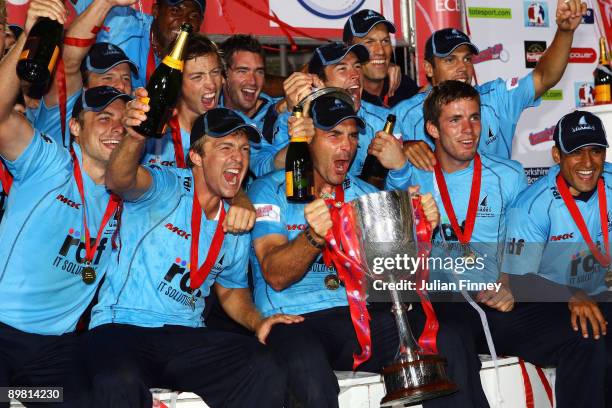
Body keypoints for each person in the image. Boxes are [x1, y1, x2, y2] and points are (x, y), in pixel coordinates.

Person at [249, 95, 487, 408]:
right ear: (307, 139)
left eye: (352, 135)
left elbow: (396, 278)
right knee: (307, 369)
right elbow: (275, 275)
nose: (346, 146)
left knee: (449, 337)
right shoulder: (271, 189)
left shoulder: (366, 195)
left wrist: (419, 230)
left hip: (357, 315)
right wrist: (313, 237)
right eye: (334, 135)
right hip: (295, 318)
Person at [387, 80, 608, 408]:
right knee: (450, 343)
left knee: (587, 335)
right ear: (432, 128)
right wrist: (402, 164)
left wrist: (510, 284)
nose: (468, 130)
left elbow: (521, 248)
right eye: (455, 120)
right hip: (442, 303)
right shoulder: (410, 174)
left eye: (475, 118)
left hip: (498, 300)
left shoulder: (510, 174)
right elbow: (393, 252)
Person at [88, 101, 298, 408]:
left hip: (185, 335)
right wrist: (134, 136)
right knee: (116, 380)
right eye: (225, 147)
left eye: (244, 149)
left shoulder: (235, 219)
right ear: (196, 156)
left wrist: (258, 322)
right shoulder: (166, 185)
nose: (238, 158)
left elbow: (231, 290)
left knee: (261, 365)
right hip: (123, 326)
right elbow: (119, 180)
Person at [0, 3, 132, 406]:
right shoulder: (47, 160)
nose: (115, 128)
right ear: (75, 127)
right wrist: (30, 34)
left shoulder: (130, 191)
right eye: (102, 118)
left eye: (122, 120)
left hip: (55, 351)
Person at [502, 110, 611, 406]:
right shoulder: (531, 206)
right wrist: (570, 294)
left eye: (596, 151)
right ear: (556, 155)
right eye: (576, 153)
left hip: (601, 291)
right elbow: (519, 280)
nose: (588, 163)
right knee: (590, 336)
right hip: (549, 299)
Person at [397, 0, 587, 169]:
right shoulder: (406, 113)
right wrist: (402, 148)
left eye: (467, 59)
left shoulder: (497, 98)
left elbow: (544, 77)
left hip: (495, 207)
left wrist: (565, 32)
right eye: (450, 60)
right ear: (429, 68)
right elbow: (375, 155)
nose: (462, 67)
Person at [257, 42, 407, 182]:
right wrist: (292, 114)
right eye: (342, 68)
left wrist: (400, 168)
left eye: (357, 67)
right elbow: (265, 172)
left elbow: (388, 186)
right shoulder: (297, 115)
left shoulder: (382, 121)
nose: (355, 75)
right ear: (317, 81)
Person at [73, 0, 205, 88]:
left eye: (193, 16)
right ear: (156, 10)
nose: (184, 22)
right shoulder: (119, 22)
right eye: (175, 11)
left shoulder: (199, 63)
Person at [29, 41, 138, 147]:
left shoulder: (135, 126)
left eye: (126, 79)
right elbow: (70, 61)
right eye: (108, 78)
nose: (121, 86)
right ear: (84, 86)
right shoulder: (62, 113)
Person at [142, 34, 222, 168]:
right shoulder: (150, 129)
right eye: (197, 77)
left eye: (215, 72)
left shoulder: (232, 126)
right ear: (177, 83)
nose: (212, 85)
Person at [343, 9, 419, 108]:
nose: (380, 51)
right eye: (369, 42)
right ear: (349, 49)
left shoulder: (404, 87)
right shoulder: (341, 94)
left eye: (385, 41)